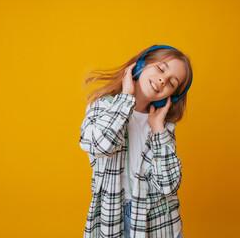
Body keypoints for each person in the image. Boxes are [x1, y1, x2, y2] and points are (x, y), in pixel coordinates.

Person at [79, 44, 193, 238]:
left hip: (158, 221)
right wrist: (125, 99)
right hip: (112, 215)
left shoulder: (163, 128)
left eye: (172, 83)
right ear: (140, 64)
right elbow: (97, 145)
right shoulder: (103, 107)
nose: (162, 80)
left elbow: (168, 185)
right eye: (161, 68)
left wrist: (158, 130)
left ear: (171, 96)